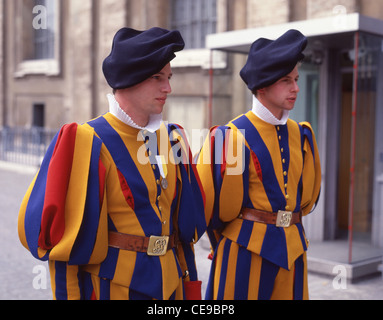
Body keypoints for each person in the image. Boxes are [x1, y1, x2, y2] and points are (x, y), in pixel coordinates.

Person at [18, 27, 206, 300]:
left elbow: (183, 232)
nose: (168, 88)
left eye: (169, 77)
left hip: (172, 286)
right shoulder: (85, 141)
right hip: (114, 288)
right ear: (130, 78)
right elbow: (64, 250)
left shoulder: (174, 138)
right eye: (157, 78)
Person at [196, 29, 321, 300]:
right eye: (287, 80)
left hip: (294, 252)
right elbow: (209, 209)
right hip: (244, 253)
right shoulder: (228, 136)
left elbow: (308, 199)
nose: (296, 88)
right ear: (262, 85)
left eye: (296, 79)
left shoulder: (302, 135)